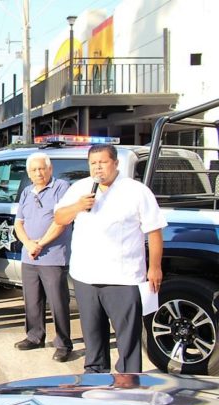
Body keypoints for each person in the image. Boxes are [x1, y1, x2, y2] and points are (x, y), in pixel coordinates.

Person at [55, 143, 166, 373]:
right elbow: (60, 217)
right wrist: (78, 206)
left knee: (127, 337)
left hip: (122, 278)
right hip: (86, 276)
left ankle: (129, 380)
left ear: (115, 163)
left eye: (103, 162)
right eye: (93, 163)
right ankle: (95, 376)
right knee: (93, 334)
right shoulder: (80, 188)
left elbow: (154, 231)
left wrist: (155, 267)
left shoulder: (136, 191)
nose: (98, 168)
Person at [12, 152, 73, 362]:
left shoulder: (61, 188)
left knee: (57, 302)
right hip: (29, 255)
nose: (38, 173)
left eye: (42, 168)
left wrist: (40, 243)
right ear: (28, 174)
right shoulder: (27, 192)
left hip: (52, 256)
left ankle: (64, 344)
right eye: (34, 170)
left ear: (50, 169)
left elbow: (61, 222)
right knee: (32, 300)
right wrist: (28, 244)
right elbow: (18, 223)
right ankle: (34, 336)